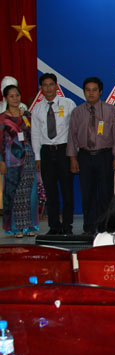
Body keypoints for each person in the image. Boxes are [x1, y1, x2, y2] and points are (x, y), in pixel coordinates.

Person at [66, 77, 115, 235]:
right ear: (84, 92)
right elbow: (72, 136)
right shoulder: (77, 112)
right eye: (87, 90)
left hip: (105, 156)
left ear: (100, 91)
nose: (91, 93)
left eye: (94, 90)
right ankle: (88, 227)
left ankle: (106, 228)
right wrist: (73, 158)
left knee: (105, 193)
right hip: (84, 156)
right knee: (87, 194)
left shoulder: (111, 110)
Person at [31, 73, 76, 235]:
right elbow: (35, 134)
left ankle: (67, 225)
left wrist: (74, 154)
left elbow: (74, 131)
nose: (48, 88)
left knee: (67, 191)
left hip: (65, 151)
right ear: (40, 88)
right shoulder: (37, 109)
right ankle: (54, 226)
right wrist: (37, 157)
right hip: (46, 153)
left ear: (57, 86)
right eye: (45, 85)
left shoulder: (68, 104)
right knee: (50, 192)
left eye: (51, 84)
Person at [0, 85, 39, 237]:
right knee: (14, 193)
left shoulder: (27, 116)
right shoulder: (2, 118)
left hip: (29, 157)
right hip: (11, 160)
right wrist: (1, 161)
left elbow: (34, 136)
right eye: (11, 96)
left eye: (17, 95)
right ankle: (16, 228)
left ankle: (29, 226)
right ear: (6, 98)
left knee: (29, 192)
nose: (15, 98)